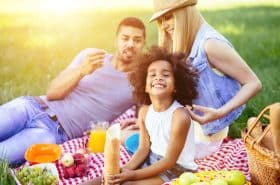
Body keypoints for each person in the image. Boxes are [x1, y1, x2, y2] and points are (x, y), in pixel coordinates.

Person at [0, 17, 146, 165]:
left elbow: (165, 73)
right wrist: (82, 71)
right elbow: (53, 93)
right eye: (125, 38)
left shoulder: (139, 83)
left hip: (53, 133)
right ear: (116, 40)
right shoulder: (91, 56)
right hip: (31, 107)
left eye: (137, 40)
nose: (130, 44)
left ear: (143, 44)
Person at [149, 0, 262, 158]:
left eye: (168, 17)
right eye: (160, 20)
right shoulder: (187, 41)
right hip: (187, 128)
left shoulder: (210, 44)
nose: (164, 25)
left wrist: (219, 113)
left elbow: (254, 83)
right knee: (136, 134)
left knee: (147, 149)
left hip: (204, 138)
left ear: (184, 12)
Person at [81, 46, 199, 185]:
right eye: (152, 74)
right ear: (145, 85)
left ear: (176, 86)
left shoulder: (180, 116)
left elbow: (169, 161)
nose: (158, 78)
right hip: (151, 160)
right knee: (101, 181)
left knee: (126, 184)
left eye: (165, 75)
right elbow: (143, 148)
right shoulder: (144, 111)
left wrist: (133, 176)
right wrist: (123, 170)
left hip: (177, 170)